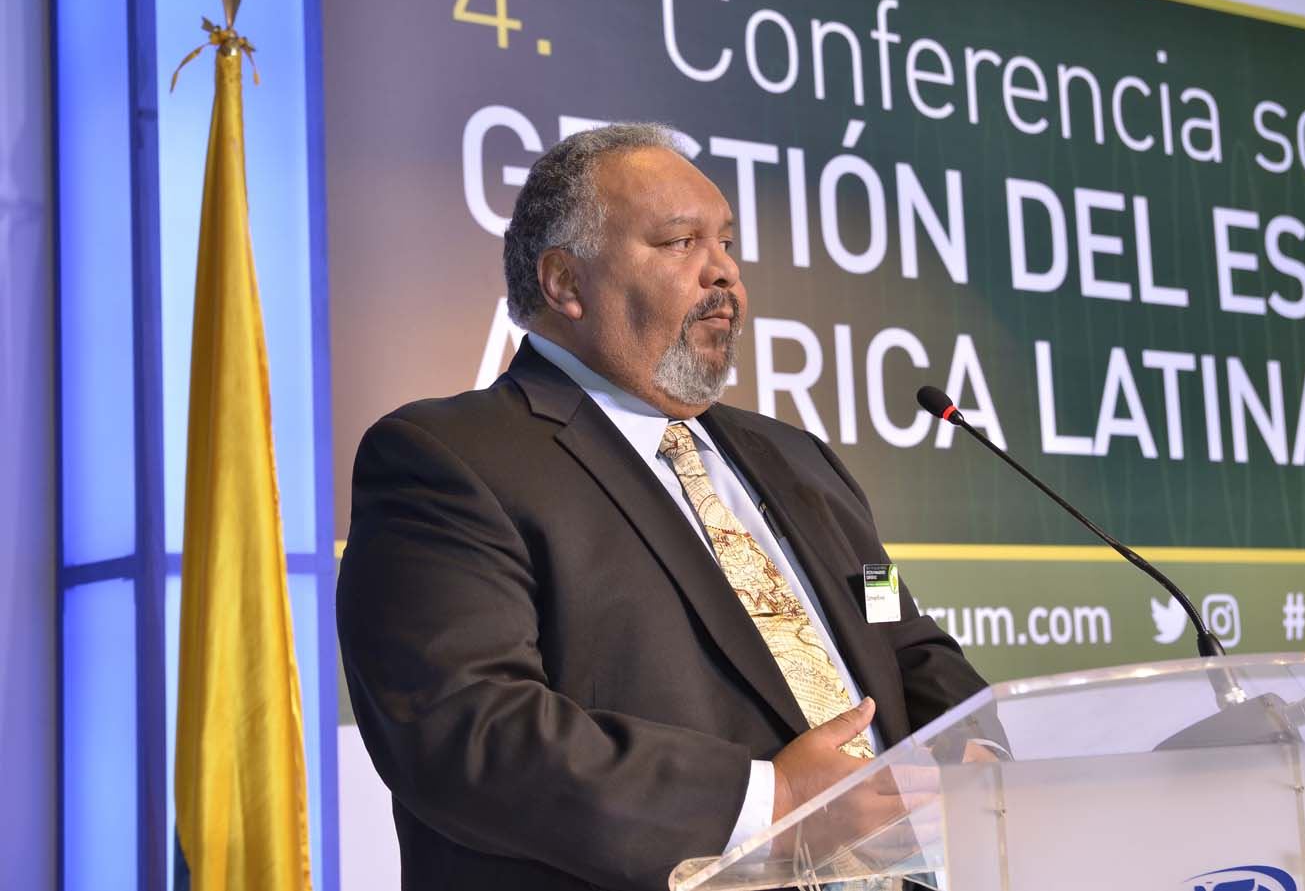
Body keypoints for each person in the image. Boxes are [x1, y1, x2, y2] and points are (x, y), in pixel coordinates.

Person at [337, 123, 998, 891]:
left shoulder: (798, 458)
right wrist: (774, 801)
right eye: (681, 242)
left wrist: (974, 744)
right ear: (565, 283)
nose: (724, 271)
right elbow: (470, 731)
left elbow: (898, 632)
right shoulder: (449, 458)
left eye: (727, 243)